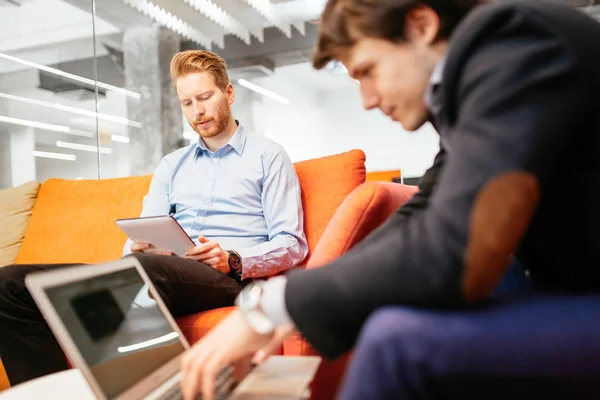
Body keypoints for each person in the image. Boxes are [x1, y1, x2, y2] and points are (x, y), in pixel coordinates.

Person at [178, 1, 600, 399]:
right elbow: (423, 213)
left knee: (394, 341)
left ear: (420, 25)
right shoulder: (480, 75)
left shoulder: (516, 45)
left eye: (368, 70)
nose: (368, 99)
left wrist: (273, 307)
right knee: (392, 305)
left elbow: (456, 251)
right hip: (562, 277)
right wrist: (293, 302)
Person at [0, 50, 308, 386]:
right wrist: (137, 247)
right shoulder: (171, 165)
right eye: (187, 103)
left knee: (140, 274)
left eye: (205, 97)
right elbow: (145, 230)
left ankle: (141, 388)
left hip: (226, 277)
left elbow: (292, 244)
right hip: (162, 269)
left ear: (229, 93)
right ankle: (57, 393)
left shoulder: (269, 156)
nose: (198, 111)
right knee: (10, 284)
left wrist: (233, 259)